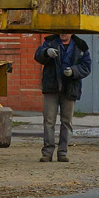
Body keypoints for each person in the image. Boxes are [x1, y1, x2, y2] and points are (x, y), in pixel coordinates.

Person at [33, 32, 92, 162]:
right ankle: (47, 153)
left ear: (71, 33)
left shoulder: (80, 46)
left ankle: (62, 153)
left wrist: (73, 71)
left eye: (66, 31)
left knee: (66, 122)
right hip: (51, 88)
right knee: (49, 121)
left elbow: (87, 66)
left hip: (70, 90)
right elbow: (38, 55)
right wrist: (46, 52)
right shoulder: (50, 42)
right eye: (61, 31)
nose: (63, 33)